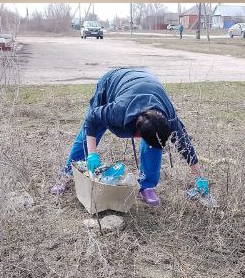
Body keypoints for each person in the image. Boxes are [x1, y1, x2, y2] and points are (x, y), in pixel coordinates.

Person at [49, 67, 208, 208]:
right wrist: (92, 154)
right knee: (89, 133)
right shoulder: (117, 110)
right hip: (112, 82)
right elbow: (91, 118)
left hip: (146, 82)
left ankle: (147, 187)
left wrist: (200, 178)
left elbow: (185, 145)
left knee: (153, 142)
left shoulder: (168, 118)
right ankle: (66, 174)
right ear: (137, 133)